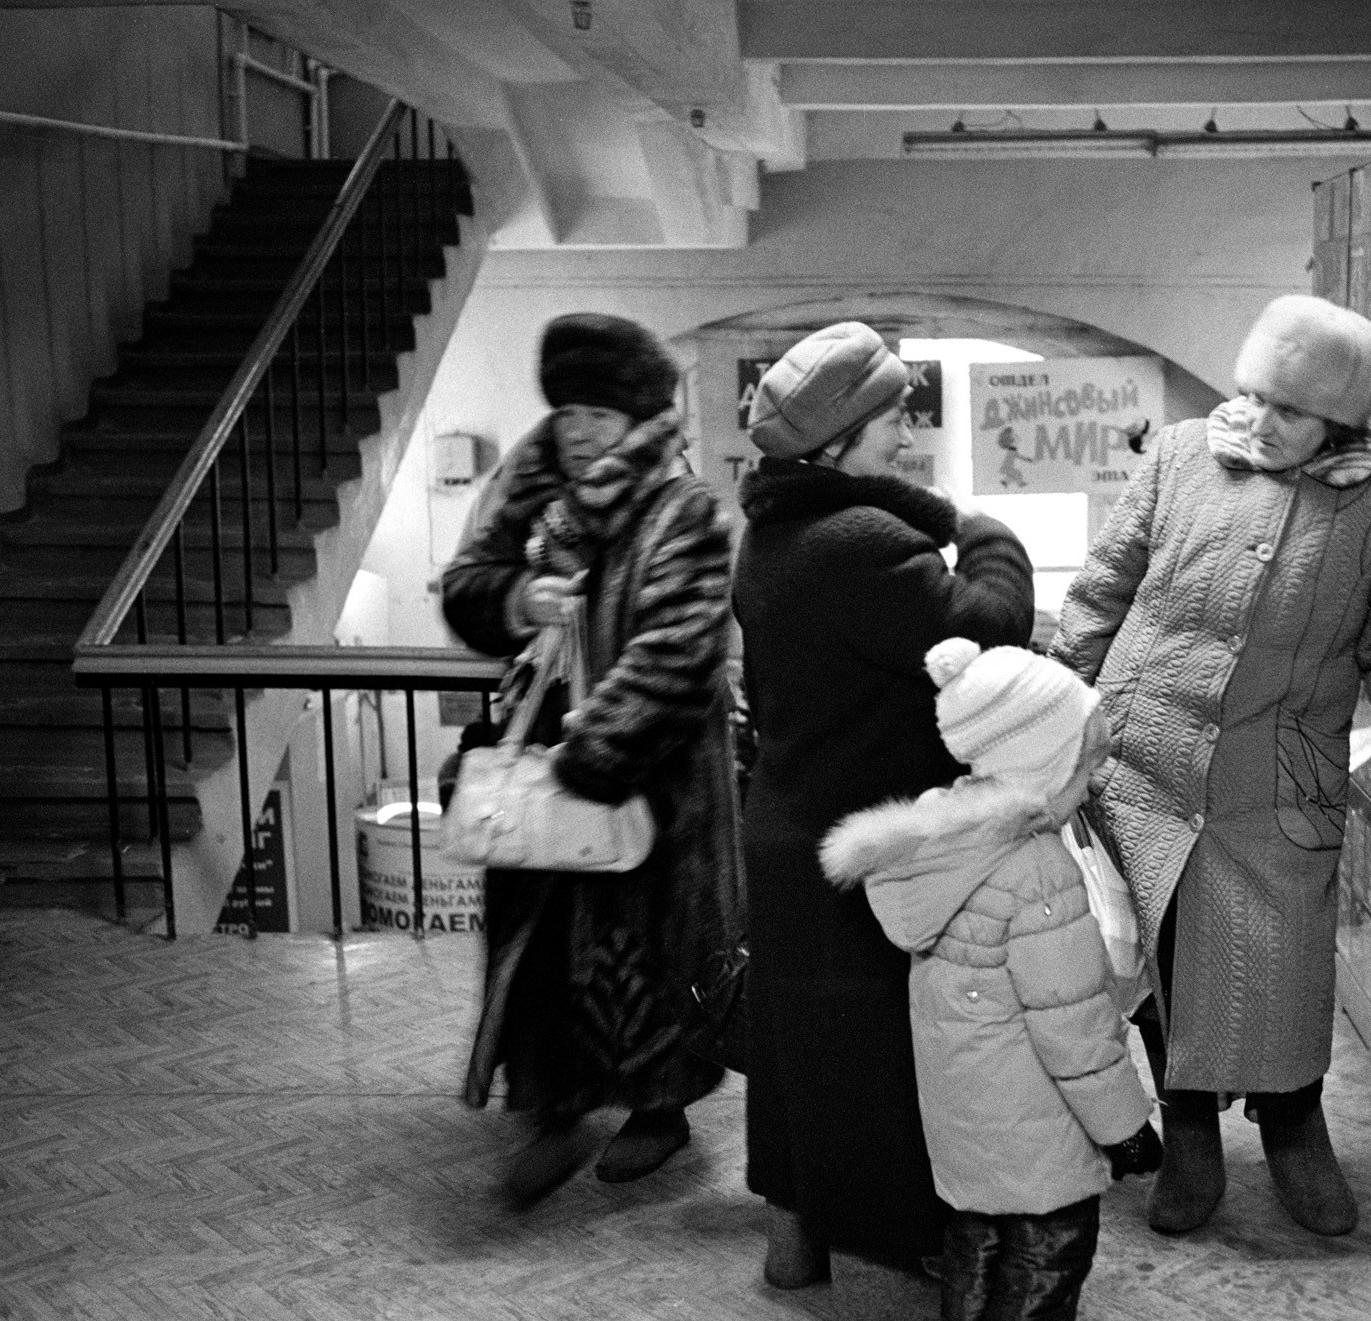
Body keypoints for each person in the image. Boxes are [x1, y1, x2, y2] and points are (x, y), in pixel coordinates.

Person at [1052, 294, 1371, 1238]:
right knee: (1157, 957)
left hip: (1274, 782)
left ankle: (1294, 1126)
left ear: (1343, 423)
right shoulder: (1183, 455)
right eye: (1252, 395)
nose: (1259, 423)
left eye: (1290, 410)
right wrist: (1061, 715)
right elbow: (1102, 588)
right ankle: (1187, 1132)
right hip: (1138, 765)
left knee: (1281, 968)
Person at [733, 321, 1036, 1286]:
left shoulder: (774, 529)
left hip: (791, 827)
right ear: (842, 438)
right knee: (876, 1053)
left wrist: (917, 512)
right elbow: (983, 630)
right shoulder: (857, 541)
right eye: (895, 418)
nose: (906, 436)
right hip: (866, 840)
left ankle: (793, 1238)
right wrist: (987, 531)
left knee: (796, 1045)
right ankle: (904, 1233)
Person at [441, 313, 739, 1202]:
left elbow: (680, 651)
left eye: (601, 415)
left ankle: (661, 1105)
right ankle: (550, 1105)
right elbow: (465, 586)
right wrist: (515, 596)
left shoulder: (683, 511)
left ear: (641, 421)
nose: (578, 430)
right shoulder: (526, 493)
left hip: (654, 775)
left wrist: (597, 754)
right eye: (568, 410)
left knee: (655, 946)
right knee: (539, 950)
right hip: (538, 768)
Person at [821, 637, 1163, 1321]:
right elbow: (1074, 1029)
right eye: (1086, 760)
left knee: (977, 1247)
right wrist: (1126, 1127)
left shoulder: (941, 842)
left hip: (966, 1124)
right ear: (1040, 765)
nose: (1096, 778)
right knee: (1049, 1257)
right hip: (1039, 1131)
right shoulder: (1036, 869)